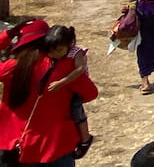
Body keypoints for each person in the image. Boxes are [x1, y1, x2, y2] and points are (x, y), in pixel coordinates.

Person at [0, 18, 99, 166]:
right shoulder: (65, 68)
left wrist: (8, 34)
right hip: (57, 146)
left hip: (18, 147)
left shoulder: (10, 68)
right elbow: (91, 94)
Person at [44, 27, 93, 159]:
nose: (55, 54)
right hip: (64, 89)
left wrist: (61, 82)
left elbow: (80, 70)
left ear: (69, 44)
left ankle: (85, 138)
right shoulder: (54, 53)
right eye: (51, 51)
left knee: (76, 111)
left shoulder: (76, 52)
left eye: (59, 50)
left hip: (76, 88)